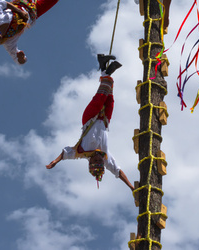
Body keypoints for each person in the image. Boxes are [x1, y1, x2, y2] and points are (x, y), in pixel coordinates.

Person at [46, 55, 135, 194]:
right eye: (100, 161)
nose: (99, 158)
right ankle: (104, 67)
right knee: (110, 94)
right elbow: (118, 172)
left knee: (102, 92)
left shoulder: (81, 152)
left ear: (90, 161)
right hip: (105, 119)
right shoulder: (106, 156)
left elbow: (65, 153)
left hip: (90, 117)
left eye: (96, 161)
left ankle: (105, 71)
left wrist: (55, 161)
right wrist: (131, 187)